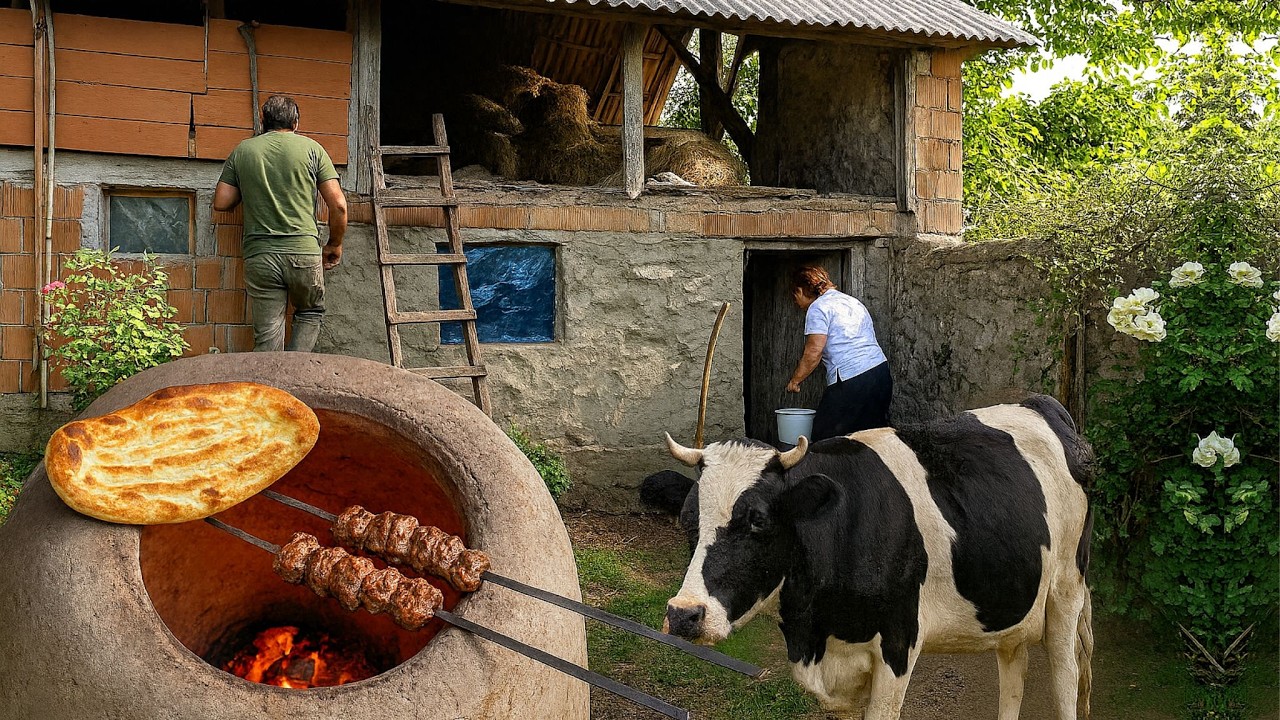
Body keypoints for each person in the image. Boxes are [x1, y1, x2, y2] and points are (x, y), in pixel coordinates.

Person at [212, 95, 347, 352]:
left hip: (260, 255)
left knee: (268, 336)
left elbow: (221, 201)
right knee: (309, 312)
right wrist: (335, 244)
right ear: (296, 123)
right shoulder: (312, 149)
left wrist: (252, 184)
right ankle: (296, 371)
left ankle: (269, 376)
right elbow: (339, 205)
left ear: (262, 119)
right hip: (303, 252)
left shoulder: (243, 150)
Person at [784, 265, 891, 440]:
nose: (795, 301)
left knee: (825, 437)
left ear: (800, 290)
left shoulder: (818, 307)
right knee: (871, 437)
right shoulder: (852, 302)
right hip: (880, 374)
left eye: (794, 295)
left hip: (852, 380)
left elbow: (814, 351)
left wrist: (795, 381)